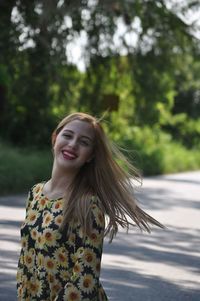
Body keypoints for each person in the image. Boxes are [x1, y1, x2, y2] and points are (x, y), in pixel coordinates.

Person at [16, 112, 164, 301]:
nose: (73, 144)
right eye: (68, 135)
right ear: (55, 138)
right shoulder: (35, 193)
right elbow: (26, 261)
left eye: (84, 142)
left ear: (90, 156)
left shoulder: (87, 204)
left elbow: (85, 278)